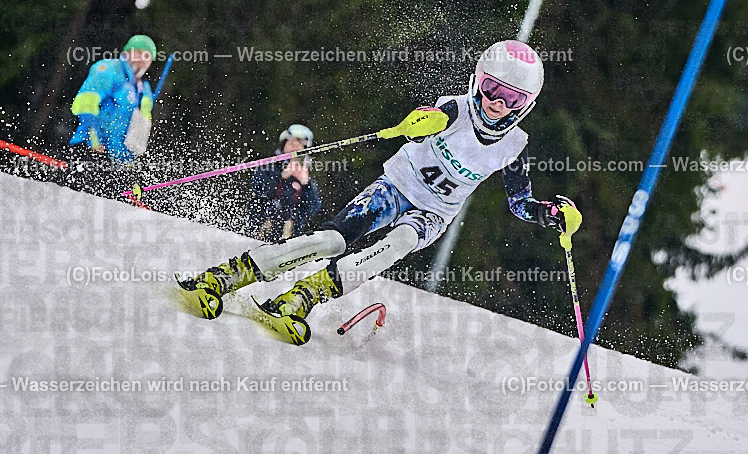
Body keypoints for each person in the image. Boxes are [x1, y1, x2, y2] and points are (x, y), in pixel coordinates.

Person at [178, 40, 582, 344]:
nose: (497, 103)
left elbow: (519, 202)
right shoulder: (457, 109)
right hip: (396, 186)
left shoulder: (514, 147)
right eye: (492, 89)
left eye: (512, 98)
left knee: (395, 245)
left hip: (432, 215)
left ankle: (304, 297)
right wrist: (419, 122)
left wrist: (550, 213)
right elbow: (437, 115)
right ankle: (228, 275)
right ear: (477, 81)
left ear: (525, 104)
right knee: (333, 240)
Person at [66, 35, 157, 194]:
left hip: (119, 164)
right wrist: (93, 137)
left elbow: (140, 131)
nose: (142, 59)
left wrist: (131, 169)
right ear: (127, 52)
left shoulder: (145, 90)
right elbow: (85, 102)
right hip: (92, 151)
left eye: (147, 56)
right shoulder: (109, 69)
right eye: (139, 52)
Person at [246, 124, 323, 241]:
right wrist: (281, 177)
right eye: (291, 143)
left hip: (289, 236)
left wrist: (306, 184)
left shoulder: (305, 176)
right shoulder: (268, 167)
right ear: (284, 145)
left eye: (299, 145)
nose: (295, 147)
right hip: (261, 231)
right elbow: (257, 189)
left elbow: (313, 208)